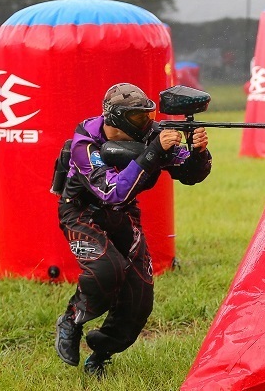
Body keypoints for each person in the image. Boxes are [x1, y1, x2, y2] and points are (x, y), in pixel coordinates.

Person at [54, 83, 212, 378]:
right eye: (138, 118)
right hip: (81, 212)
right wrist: (153, 152)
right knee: (107, 270)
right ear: (114, 117)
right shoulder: (84, 144)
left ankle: (101, 354)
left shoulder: (151, 135)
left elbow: (189, 174)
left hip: (122, 215)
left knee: (140, 297)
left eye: (148, 115)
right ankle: (71, 320)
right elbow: (111, 191)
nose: (146, 124)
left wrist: (198, 153)